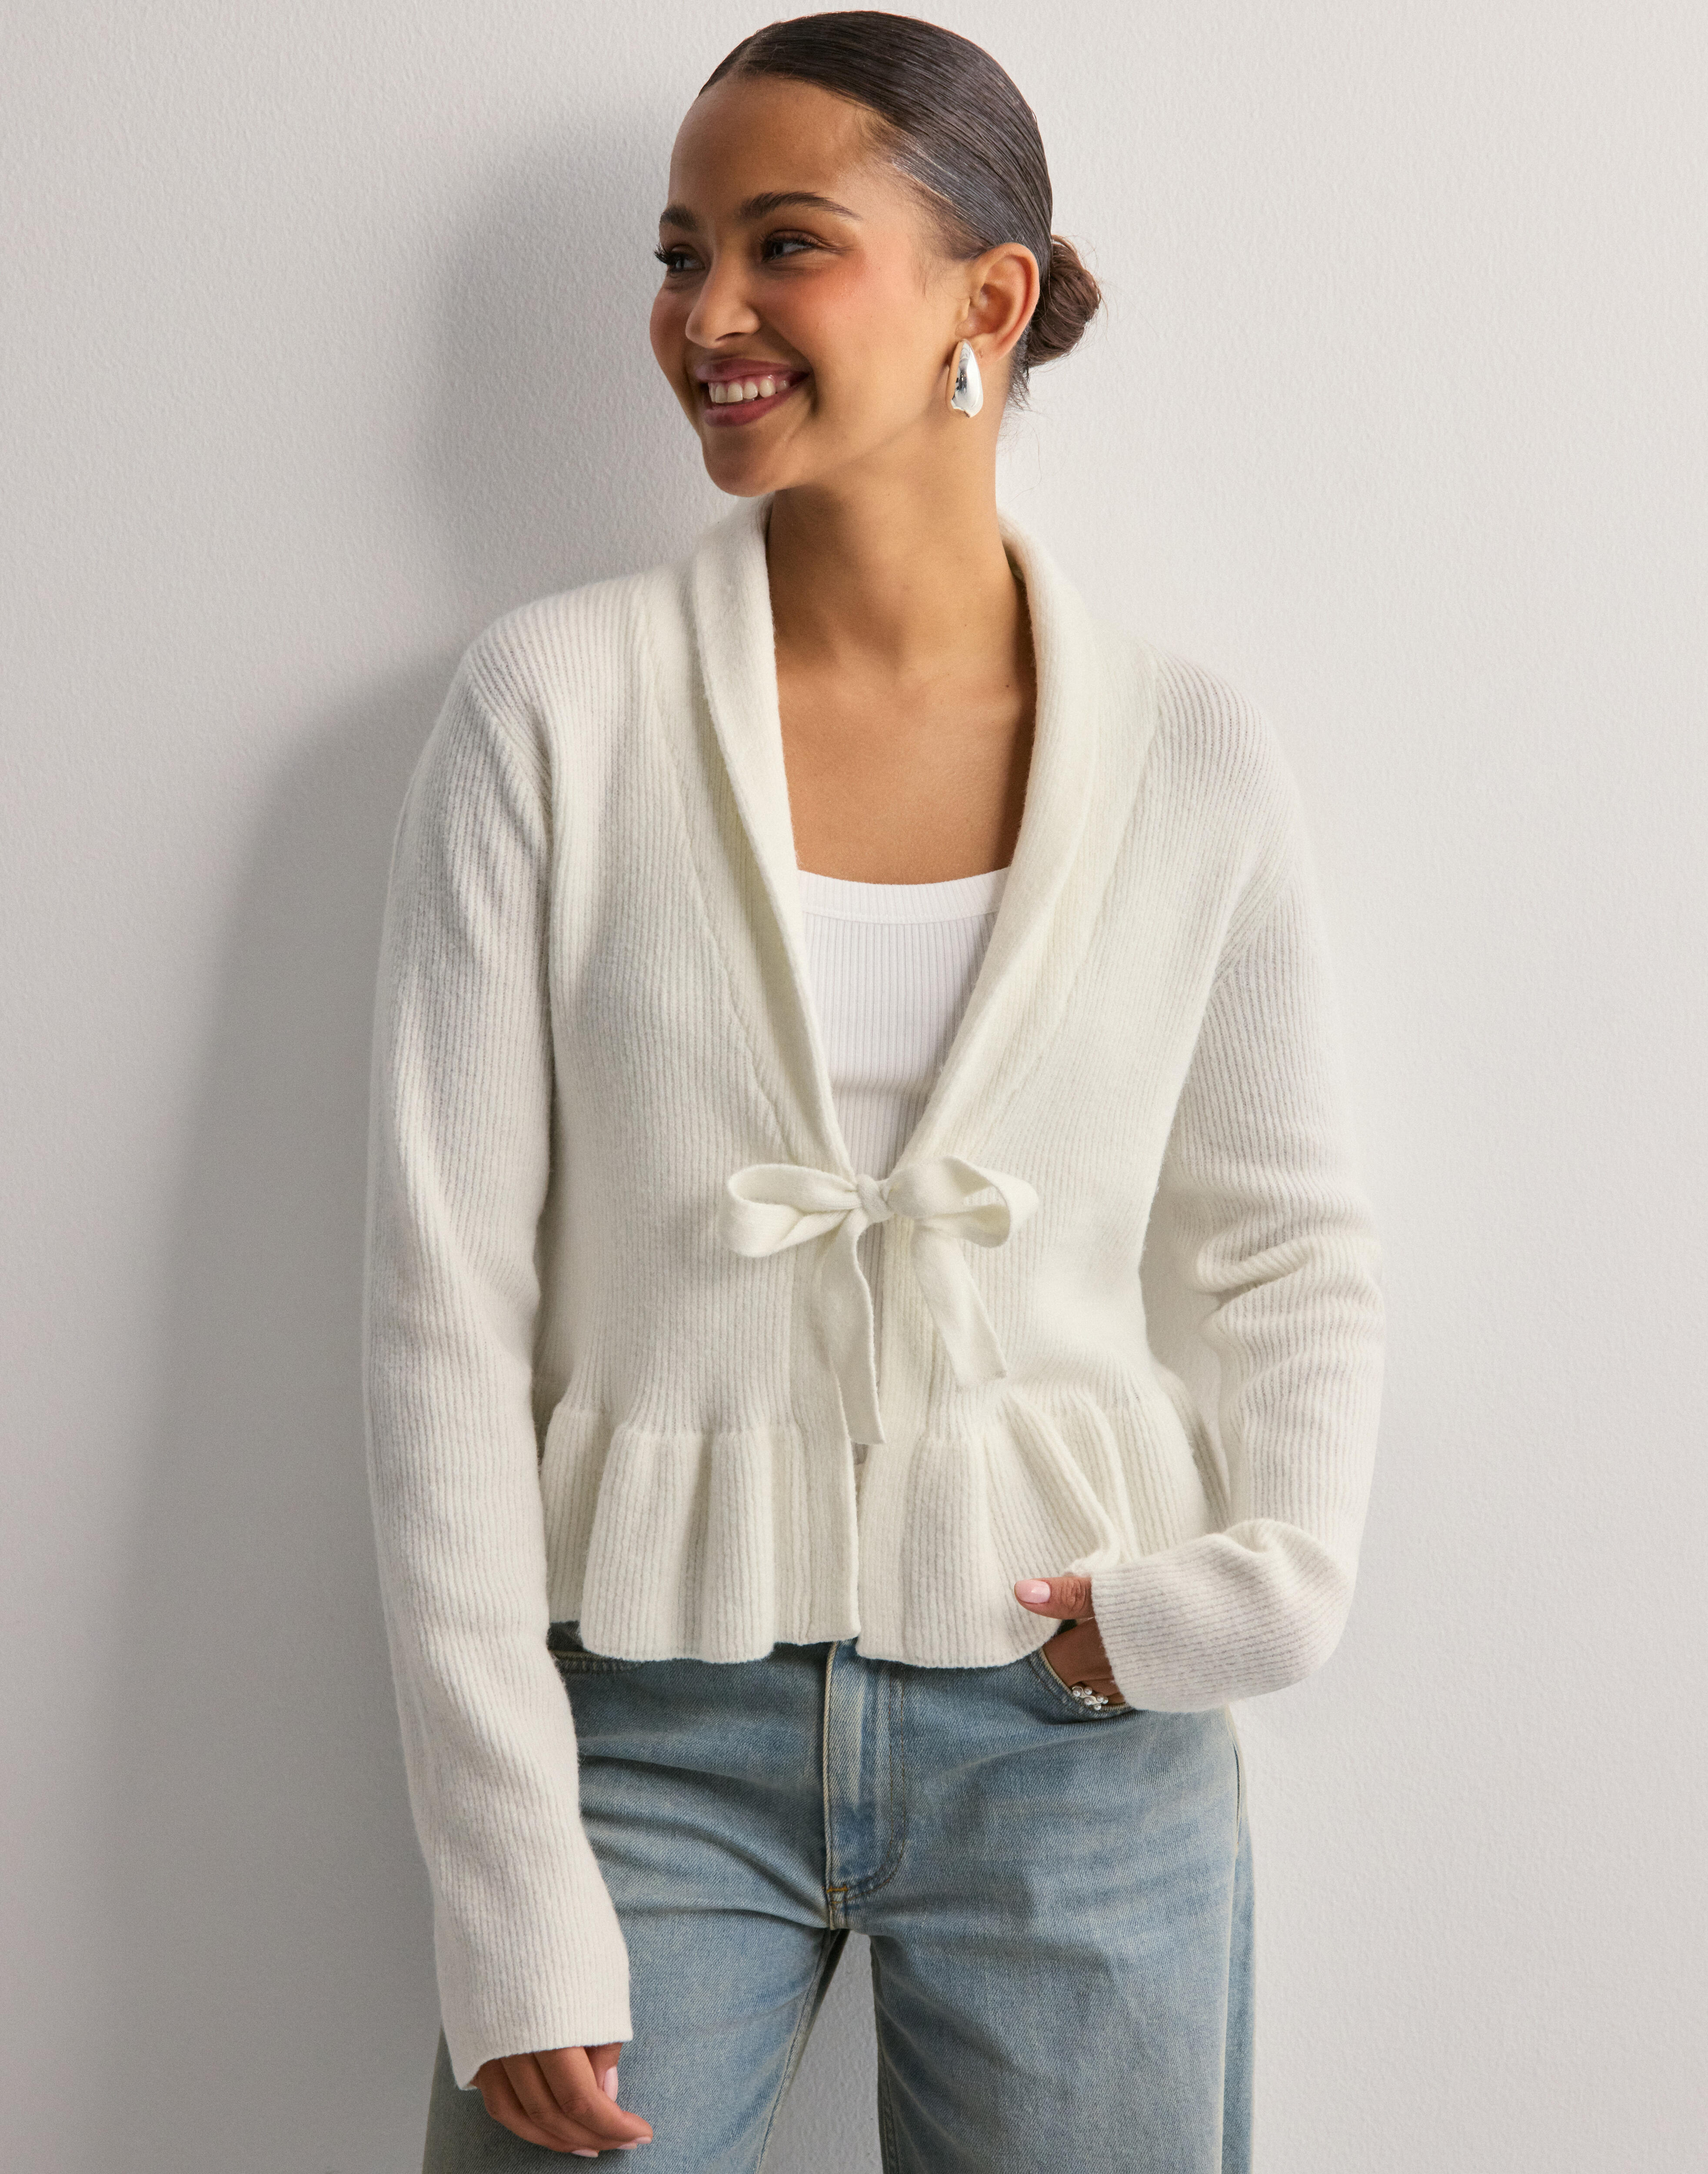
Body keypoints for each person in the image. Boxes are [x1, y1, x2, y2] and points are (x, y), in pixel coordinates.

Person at [364, 12, 1385, 2168]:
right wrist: (504, 1875)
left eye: (784, 244)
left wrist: (1257, 1587)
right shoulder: (548, 713)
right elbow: (439, 1314)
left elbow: (1285, 1244)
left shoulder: (1188, 752)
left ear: (982, 301)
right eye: (679, 254)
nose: (707, 313)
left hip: (1075, 1730)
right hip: (642, 1731)